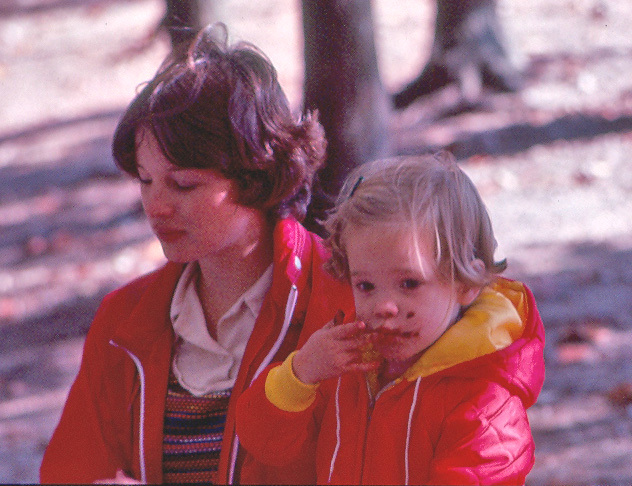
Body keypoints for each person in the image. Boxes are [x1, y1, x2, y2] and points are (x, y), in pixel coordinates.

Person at [39, 23, 355, 485]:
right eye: (146, 180)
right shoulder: (124, 321)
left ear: (259, 174)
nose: (156, 205)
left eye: (184, 184)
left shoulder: (343, 298)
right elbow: (70, 473)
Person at [236, 152, 546, 485]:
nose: (384, 306)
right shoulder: (343, 367)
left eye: (409, 283)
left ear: (465, 284)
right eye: (366, 285)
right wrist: (300, 374)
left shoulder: (484, 404)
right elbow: (265, 446)